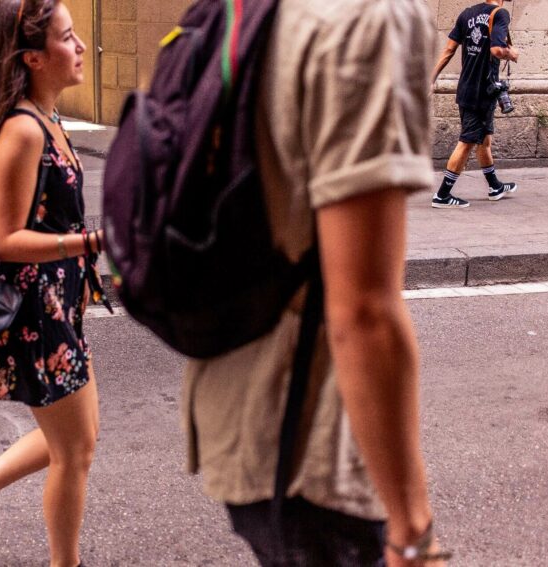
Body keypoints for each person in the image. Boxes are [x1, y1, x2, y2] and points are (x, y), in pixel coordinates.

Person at [181, 0, 450, 565]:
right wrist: (414, 531)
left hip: (234, 406)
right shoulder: (370, 18)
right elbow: (365, 312)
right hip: (312, 441)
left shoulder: (257, 9)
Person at [0, 2, 105, 565]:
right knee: (75, 450)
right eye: (68, 38)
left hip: (60, 304)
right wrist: (89, 243)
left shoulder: (48, 119)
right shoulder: (22, 130)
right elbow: (7, 240)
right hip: (34, 311)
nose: (81, 47)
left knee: (76, 438)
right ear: (34, 57)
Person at [430, 0, 520, 208]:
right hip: (482, 91)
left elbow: (449, 49)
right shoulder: (500, 14)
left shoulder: (467, 14)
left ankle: (494, 186)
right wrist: (512, 54)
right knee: (467, 141)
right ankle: (442, 195)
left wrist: (431, 79)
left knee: (484, 138)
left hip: (467, 88)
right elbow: (497, 50)